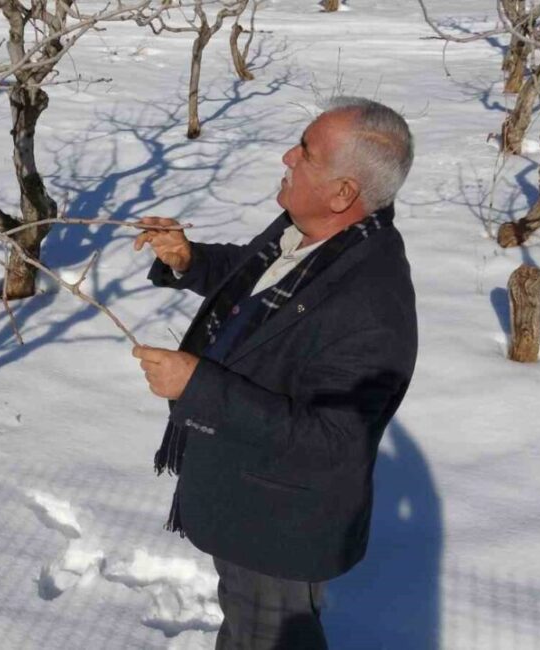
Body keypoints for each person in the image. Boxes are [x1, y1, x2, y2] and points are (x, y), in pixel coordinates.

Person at [131, 97, 418, 649]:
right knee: (244, 625)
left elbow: (334, 442)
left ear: (342, 194)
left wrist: (199, 386)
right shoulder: (316, 234)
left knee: (270, 637)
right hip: (246, 494)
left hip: (279, 524)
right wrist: (189, 260)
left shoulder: (371, 304)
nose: (287, 156)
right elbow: (260, 282)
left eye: (306, 152)